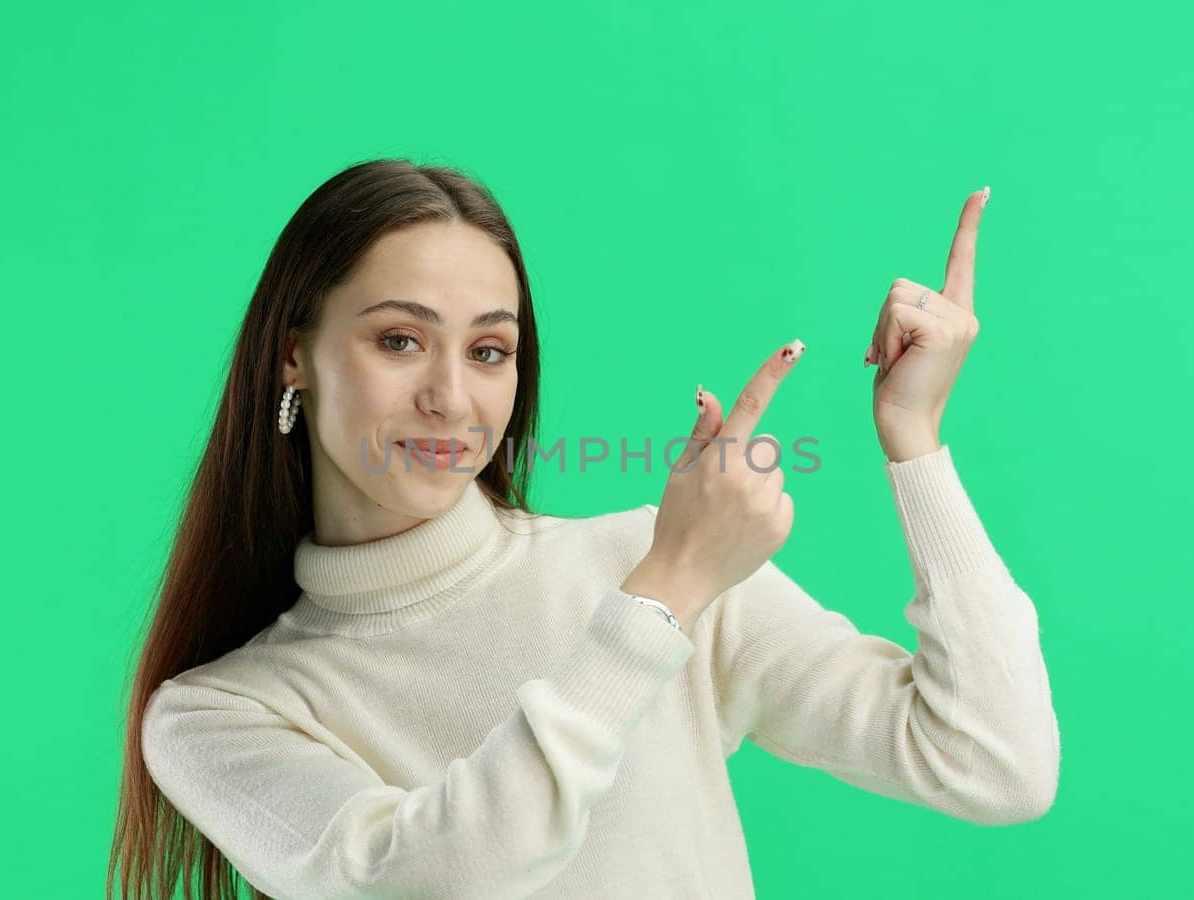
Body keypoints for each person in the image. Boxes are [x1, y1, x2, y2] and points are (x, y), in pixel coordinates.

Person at [105, 160, 1060, 900]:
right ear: (292, 358)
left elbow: (992, 765)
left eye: (489, 350)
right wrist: (667, 592)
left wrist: (916, 442)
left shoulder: (633, 561)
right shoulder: (219, 715)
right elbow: (428, 881)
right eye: (399, 339)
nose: (449, 397)